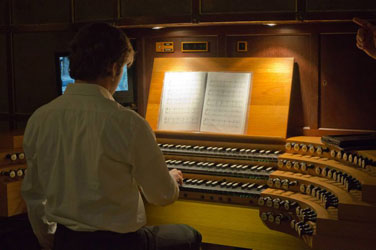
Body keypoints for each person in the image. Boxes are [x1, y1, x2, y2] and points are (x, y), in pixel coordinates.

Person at [21, 23, 201, 250]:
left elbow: (34, 197)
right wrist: (171, 179)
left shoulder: (40, 118)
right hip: (122, 243)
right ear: (115, 68)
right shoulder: (129, 123)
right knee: (189, 234)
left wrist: (54, 243)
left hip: (67, 241)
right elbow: (162, 196)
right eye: (125, 67)